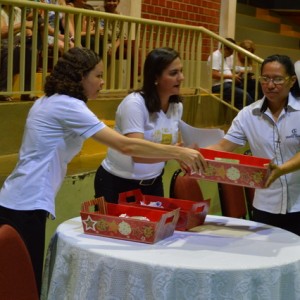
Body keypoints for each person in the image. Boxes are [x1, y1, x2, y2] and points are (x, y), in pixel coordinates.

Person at [0, 47, 206, 296]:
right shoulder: (68, 105)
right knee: (24, 283)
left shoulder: (52, 100)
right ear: (80, 76)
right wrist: (177, 153)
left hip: (20, 198)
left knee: (20, 280)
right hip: (25, 202)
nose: (102, 81)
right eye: (97, 75)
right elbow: (125, 144)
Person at [207, 54, 300, 235]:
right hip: (265, 205)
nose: (270, 85)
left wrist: (281, 169)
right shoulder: (248, 114)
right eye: (265, 79)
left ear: (292, 81)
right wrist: (193, 153)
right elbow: (223, 147)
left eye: (278, 79)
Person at [94, 47, 185, 203]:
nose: (181, 78)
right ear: (155, 77)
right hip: (118, 184)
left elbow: (171, 146)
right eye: (173, 73)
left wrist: (186, 151)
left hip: (154, 183)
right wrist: (178, 153)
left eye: (181, 71)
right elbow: (138, 154)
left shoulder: (176, 107)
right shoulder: (134, 104)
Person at [0, 5, 38, 101]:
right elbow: (2, 32)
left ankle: (27, 92)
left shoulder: (18, 10)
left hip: (16, 44)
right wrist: (23, 25)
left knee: (31, 51)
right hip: (2, 46)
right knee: (10, 50)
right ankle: (3, 90)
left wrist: (29, 32)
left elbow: (25, 28)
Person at [207, 37, 253, 110]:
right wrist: (231, 77)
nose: (232, 53)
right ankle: (251, 116)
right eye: (231, 51)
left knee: (253, 87)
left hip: (230, 83)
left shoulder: (228, 57)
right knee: (245, 95)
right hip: (219, 86)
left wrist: (236, 77)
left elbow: (231, 73)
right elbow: (214, 74)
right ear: (225, 48)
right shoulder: (215, 56)